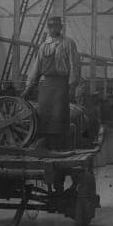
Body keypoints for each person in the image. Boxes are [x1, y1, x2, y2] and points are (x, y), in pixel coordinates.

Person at [22, 16, 81, 149]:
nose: (53, 29)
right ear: (48, 28)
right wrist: (29, 86)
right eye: (51, 26)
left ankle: (59, 147)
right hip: (46, 86)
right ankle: (46, 147)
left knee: (59, 115)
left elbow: (74, 64)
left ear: (61, 27)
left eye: (56, 26)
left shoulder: (68, 43)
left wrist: (72, 86)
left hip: (61, 85)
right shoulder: (44, 46)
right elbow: (36, 66)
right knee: (44, 115)